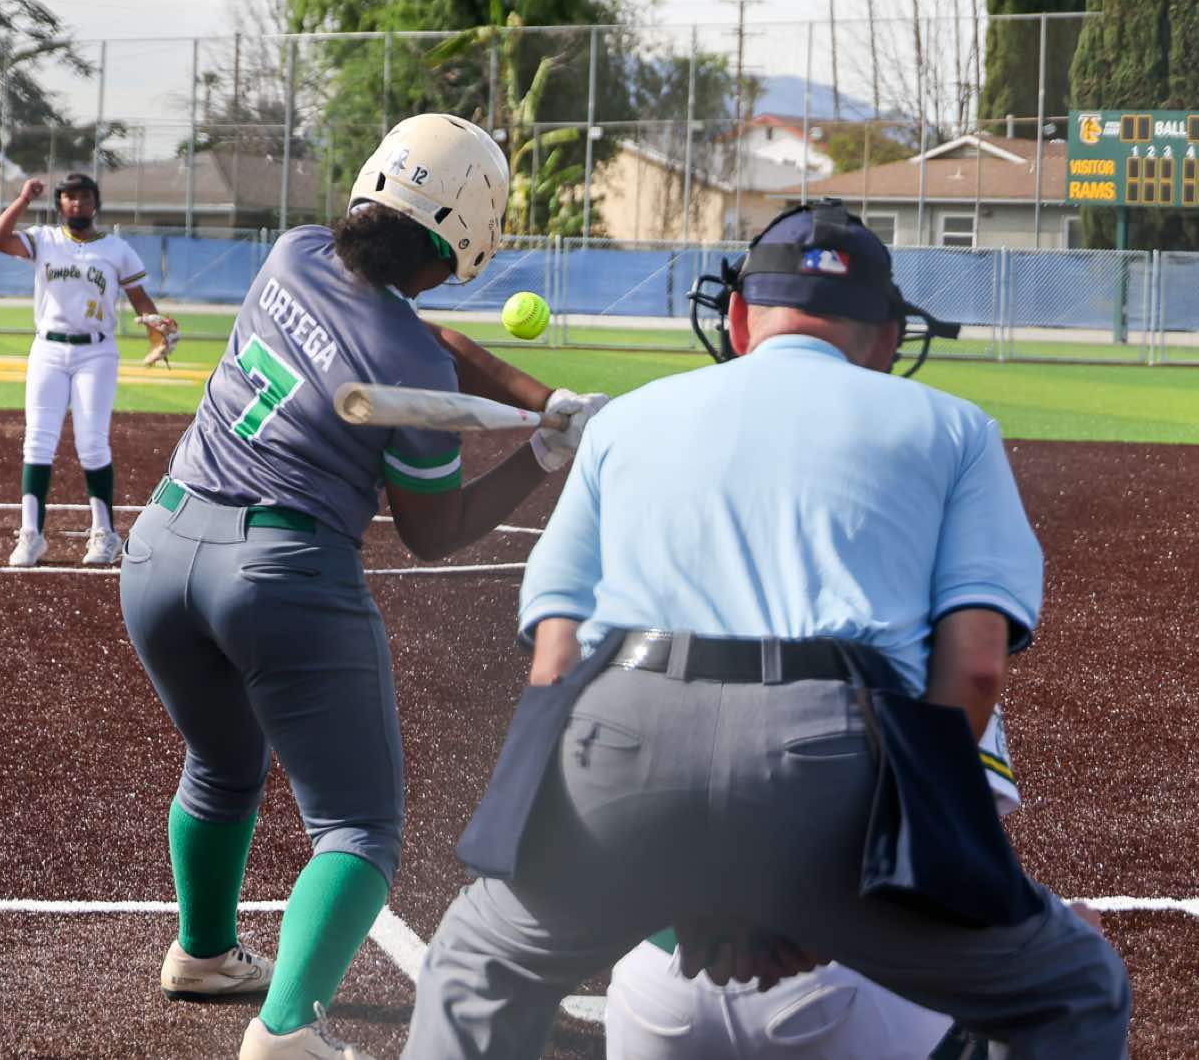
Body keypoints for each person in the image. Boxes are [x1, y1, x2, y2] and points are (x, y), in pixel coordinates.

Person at [403, 200, 1130, 1060]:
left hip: (624, 741)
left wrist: (656, 860)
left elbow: (556, 655)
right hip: (832, 748)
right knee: (1072, 986)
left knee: (476, 967)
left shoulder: (628, 419)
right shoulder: (956, 428)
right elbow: (973, 671)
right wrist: (833, 863)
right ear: (887, 337)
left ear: (740, 317)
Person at [118, 113, 607, 1060]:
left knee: (221, 763)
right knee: (358, 826)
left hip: (161, 548)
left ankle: (205, 953)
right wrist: (541, 456)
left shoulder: (296, 252)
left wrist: (538, 400)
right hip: (278, 575)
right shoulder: (405, 360)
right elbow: (433, 532)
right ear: (467, 236)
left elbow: (429, 342)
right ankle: (286, 1033)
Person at [603, 709, 1076, 1060]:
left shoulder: (660, 630)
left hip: (659, 984)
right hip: (839, 983)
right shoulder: (919, 639)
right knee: (1055, 977)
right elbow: (960, 857)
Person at [0, 172, 177, 568]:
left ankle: (104, 533)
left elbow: (139, 297)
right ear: (59, 204)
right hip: (48, 349)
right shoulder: (44, 239)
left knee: (92, 443)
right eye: (69, 197)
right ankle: (31, 534)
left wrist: (157, 328)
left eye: (85, 197)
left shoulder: (117, 249)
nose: (77, 203)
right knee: (38, 442)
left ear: (95, 204)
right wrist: (23, 200)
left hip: (96, 353)